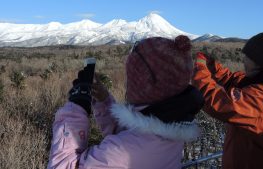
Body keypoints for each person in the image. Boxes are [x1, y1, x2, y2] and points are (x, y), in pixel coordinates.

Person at [47, 35, 204, 169]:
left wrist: (76, 108)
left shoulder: (123, 152)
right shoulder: (172, 123)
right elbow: (130, 133)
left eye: (131, 77)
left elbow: (62, 164)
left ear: (143, 84)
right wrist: (104, 101)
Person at [192, 32, 263, 169]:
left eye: (247, 57)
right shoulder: (262, 82)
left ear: (258, 62)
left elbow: (215, 101)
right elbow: (232, 80)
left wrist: (200, 68)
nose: (243, 60)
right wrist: (210, 65)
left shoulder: (261, 97)